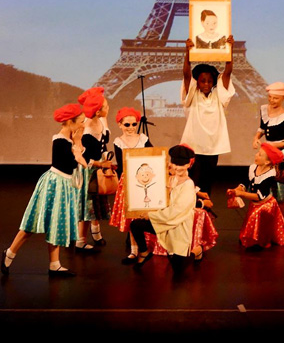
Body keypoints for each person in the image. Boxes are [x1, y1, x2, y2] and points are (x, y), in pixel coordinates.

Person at [1, 103, 87, 277]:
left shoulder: (69, 141)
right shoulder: (60, 141)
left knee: (56, 223)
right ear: (70, 121)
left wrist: (77, 145)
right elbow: (75, 164)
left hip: (65, 185)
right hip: (55, 185)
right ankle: (10, 252)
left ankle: (54, 264)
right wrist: (78, 145)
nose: (82, 126)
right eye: (80, 122)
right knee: (33, 222)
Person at [128, 145, 197, 276]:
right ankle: (144, 252)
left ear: (189, 164)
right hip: (163, 221)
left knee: (178, 270)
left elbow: (176, 211)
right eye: (175, 164)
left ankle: (197, 251)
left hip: (177, 225)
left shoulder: (188, 185)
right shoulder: (172, 178)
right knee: (135, 225)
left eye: (181, 165)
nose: (177, 167)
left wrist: (151, 215)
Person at [180, 35, 235, 196]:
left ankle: (206, 209)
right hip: (195, 146)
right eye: (202, 81)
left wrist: (230, 49)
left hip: (212, 146)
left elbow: (228, 73)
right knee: (193, 181)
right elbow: (186, 74)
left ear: (213, 82)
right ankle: (192, 208)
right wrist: (188, 52)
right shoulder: (193, 94)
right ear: (197, 82)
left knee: (207, 181)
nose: (206, 84)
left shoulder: (218, 94)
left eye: (209, 81)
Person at [252, 81, 284, 240]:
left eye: (275, 98)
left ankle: (279, 228)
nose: (271, 101)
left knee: (281, 194)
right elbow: (262, 128)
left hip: (282, 156)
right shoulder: (264, 109)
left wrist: (271, 145)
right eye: (270, 97)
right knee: (264, 190)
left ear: (283, 98)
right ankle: (264, 227)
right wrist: (256, 138)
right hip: (267, 154)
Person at [109, 107, 153, 264]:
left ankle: (148, 246)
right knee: (131, 216)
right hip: (128, 181)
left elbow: (153, 155)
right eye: (127, 125)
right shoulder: (118, 142)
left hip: (145, 181)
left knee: (144, 214)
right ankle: (135, 251)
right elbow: (121, 165)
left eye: (134, 124)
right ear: (120, 125)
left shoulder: (143, 139)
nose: (131, 128)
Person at [228, 143, 284, 251]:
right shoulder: (253, 168)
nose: (256, 155)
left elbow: (259, 196)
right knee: (251, 218)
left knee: (257, 217)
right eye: (258, 153)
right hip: (255, 203)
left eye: (260, 154)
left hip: (265, 205)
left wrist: (241, 194)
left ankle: (260, 240)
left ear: (267, 162)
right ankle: (250, 236)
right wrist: (237, 189)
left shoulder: (270, 175)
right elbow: (246, 182)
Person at [76, 87, 112, 252]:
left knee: (96, 204)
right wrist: (100, 164)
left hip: (98, 169)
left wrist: (105, 159)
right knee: (87, 206)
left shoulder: (101, 121)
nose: (108, 108)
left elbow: (104, 142)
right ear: (97, 111)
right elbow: (84, 158)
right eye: (105, 106)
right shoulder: (86, 130)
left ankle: (96, 233)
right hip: (88, 172)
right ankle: (80, 241)